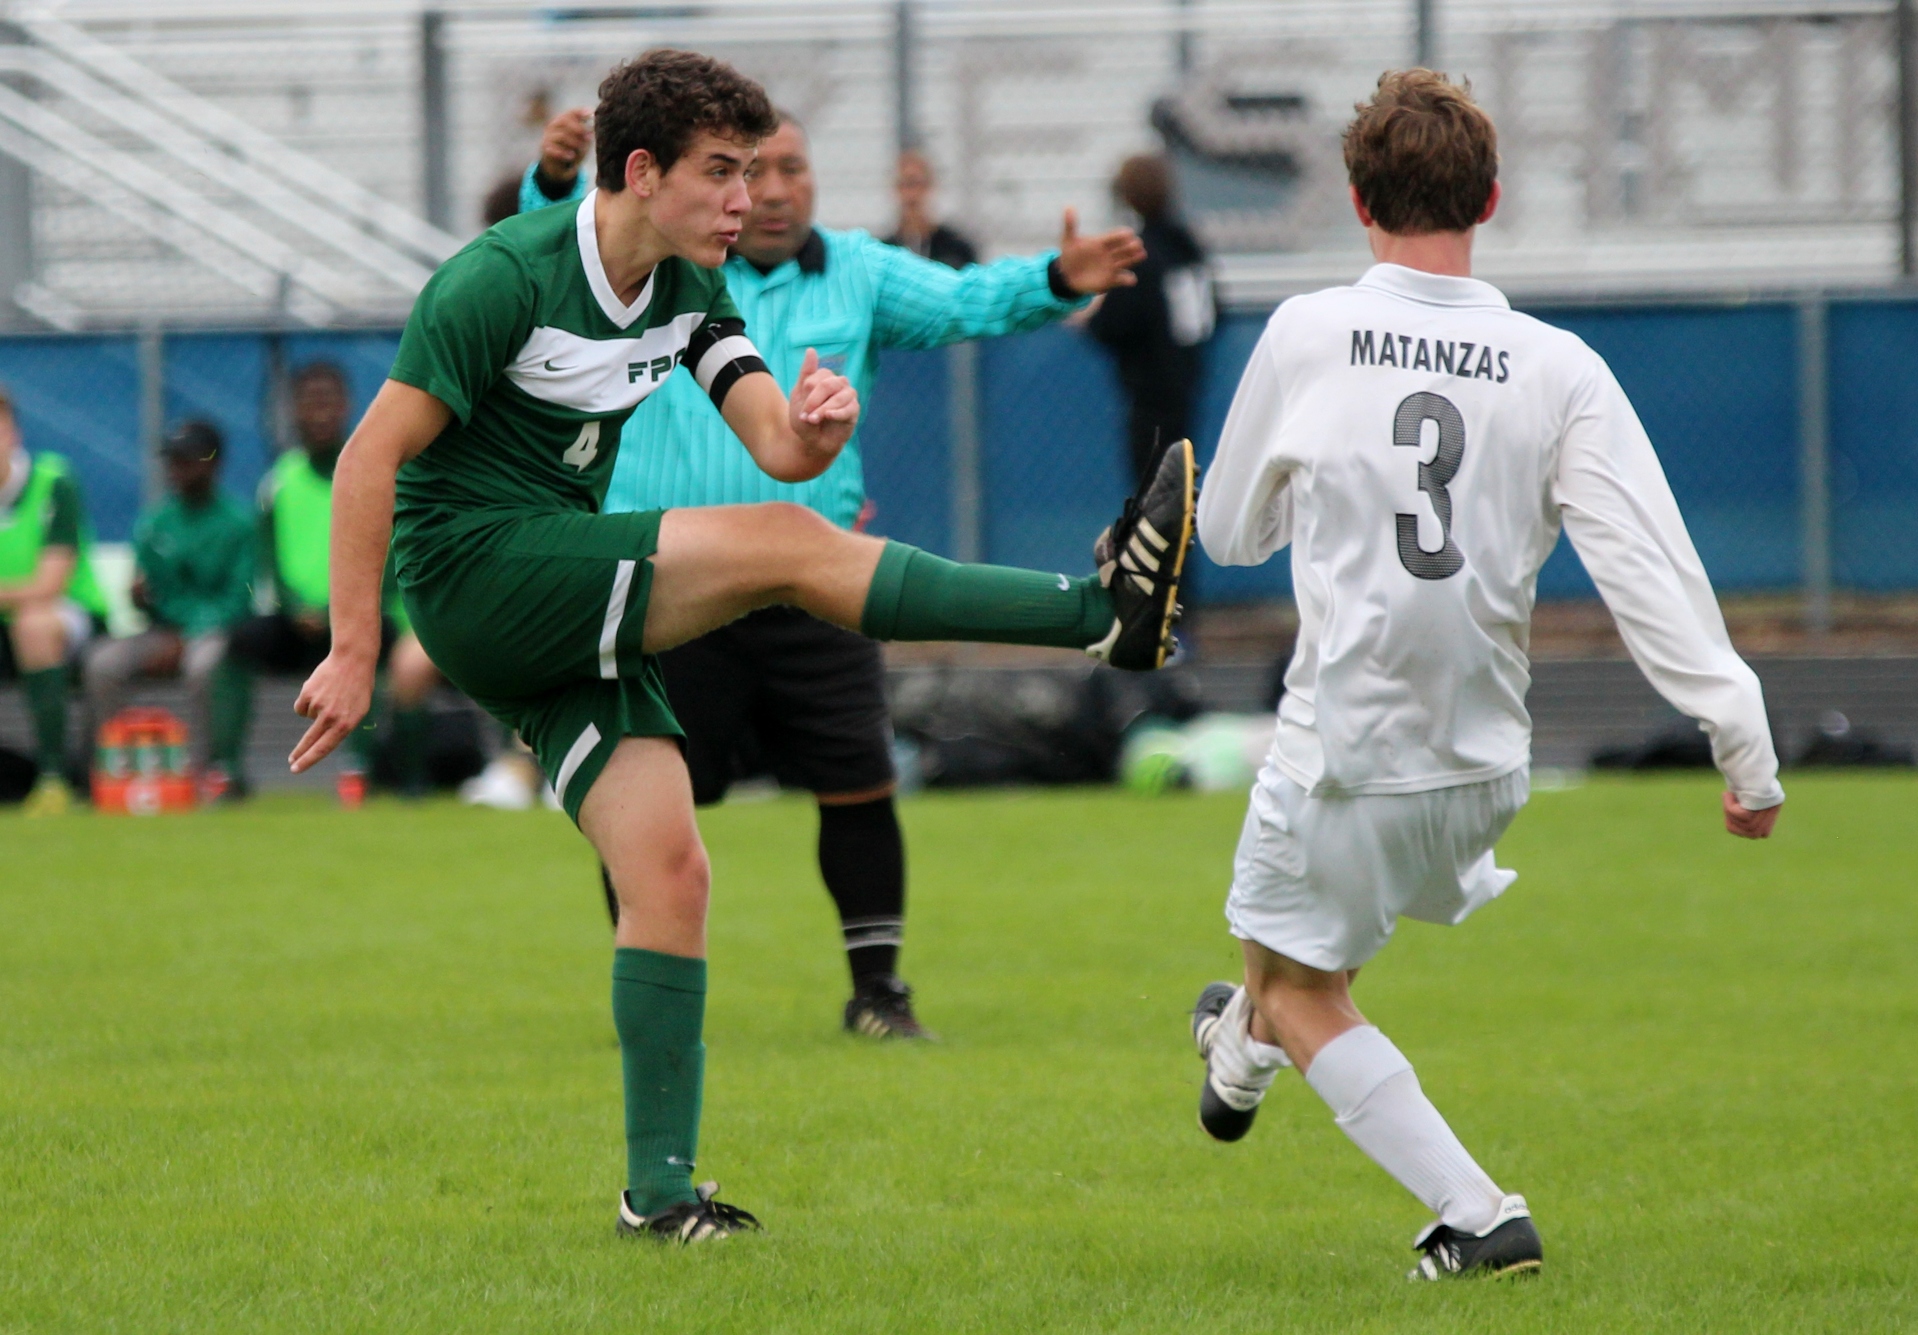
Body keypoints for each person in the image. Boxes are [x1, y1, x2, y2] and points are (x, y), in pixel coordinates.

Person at [286, 47, 1190, 1244]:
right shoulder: (501, 277)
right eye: (722, 173)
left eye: (757, 171)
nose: (745, 198)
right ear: (641, 170)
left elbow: (777, 451)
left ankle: (656, 1197)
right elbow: (367, 457)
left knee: (671, 875)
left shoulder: (690, 288)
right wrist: (356, 650)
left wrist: (819, 425)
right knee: (779, 543)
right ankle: (1097, 614)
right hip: (477, 576)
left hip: (555, 584)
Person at [1188, 70, 1785, 1281]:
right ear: (1492, 198)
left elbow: (1226, 538)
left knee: (1300, 990)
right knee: (1285, 958)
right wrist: (1743, 747)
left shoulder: (1307, 332)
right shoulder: (1555, 364)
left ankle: (1475, 1212)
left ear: (1356, 200)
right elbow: (1650, 571)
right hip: (1479, 760)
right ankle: (1232, 1056)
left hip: (1344, 747)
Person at [518, 106, 1145, 1037]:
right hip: (672, 577)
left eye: (793, 170)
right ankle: (652, 998)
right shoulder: (660, 268)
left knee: (858, 782)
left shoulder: (857, 271)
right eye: (752, 171)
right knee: (648, 800)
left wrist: (1058, 278)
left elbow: (964, 299)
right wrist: (553, 181)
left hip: (816, 582)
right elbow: (562, 246)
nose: (772, 191)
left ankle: (878, 994)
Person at [211, 362, 440, 801]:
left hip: (368, 616)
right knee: (237, 647)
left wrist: (353, 612)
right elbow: (269, 568)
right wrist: (296, 609)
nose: (319, 413)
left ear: (347, 406)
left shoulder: (378, 468)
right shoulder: (278, 483)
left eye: (328, 402)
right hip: (300, 621)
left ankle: (371, 772)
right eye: (309, 402)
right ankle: (227, 772)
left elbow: (395, 556)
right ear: (293, 410)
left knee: (380, 648)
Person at [82, 420, 255, 795]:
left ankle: (212, 774)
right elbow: (151, 596)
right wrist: (138, 598)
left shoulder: (239, 522)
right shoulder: (156, 522)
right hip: (162, 632)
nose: (177, 468)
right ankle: (116, 771)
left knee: (204, 666)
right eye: (173, 460)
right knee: (102, 663)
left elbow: (238, 600)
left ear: (214, 463)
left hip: (215, 631)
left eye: (187, 459)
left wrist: (187, 633)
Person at [0, 384, 108, 815]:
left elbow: (50, 583)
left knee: (35, 622)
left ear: (15, 433)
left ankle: (53, 777)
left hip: (72, 618)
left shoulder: (53, 482)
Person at [1087, 153, 1218, 488]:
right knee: (1180, 485)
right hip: (1187, 384)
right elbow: (1210, 312)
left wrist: (1089, 318)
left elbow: (1114, 323)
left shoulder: (1140, 255)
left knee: (1151, 490)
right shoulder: (1187, 246)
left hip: (1149, 393)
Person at [882, 147, 978, 269]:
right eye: (903, 184)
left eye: (915, 183)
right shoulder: (885, 252)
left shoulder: (956, 249)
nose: (911, 195)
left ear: (930, 187)